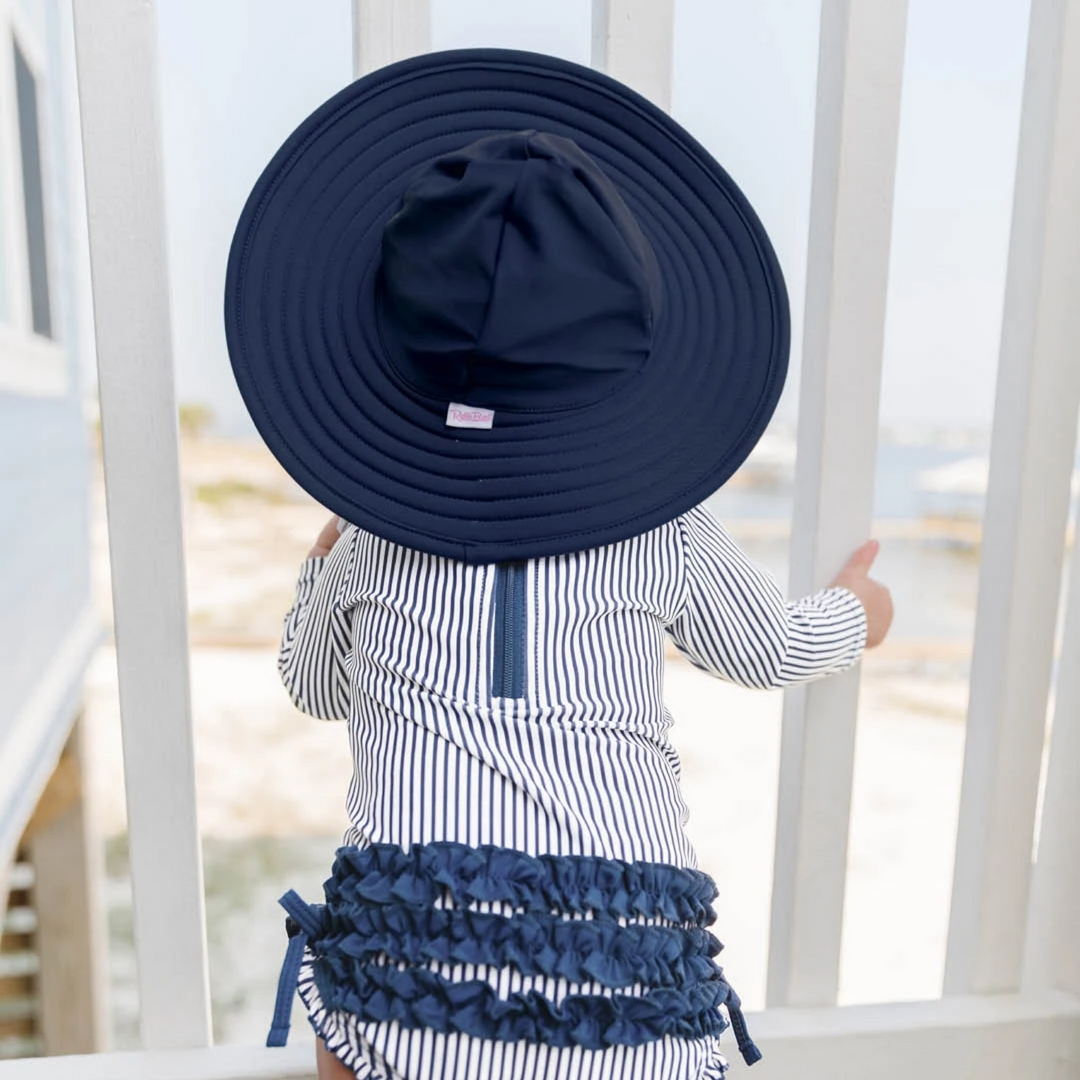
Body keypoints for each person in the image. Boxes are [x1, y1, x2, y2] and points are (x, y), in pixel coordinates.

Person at [224, 48, 892, 1080]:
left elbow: (312, 689)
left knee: (346, 1011)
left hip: (414, 986)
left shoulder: (368, 541)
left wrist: (324, 564)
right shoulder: (661, 530)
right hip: (627, 999)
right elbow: (772, 649)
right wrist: (858, 609)